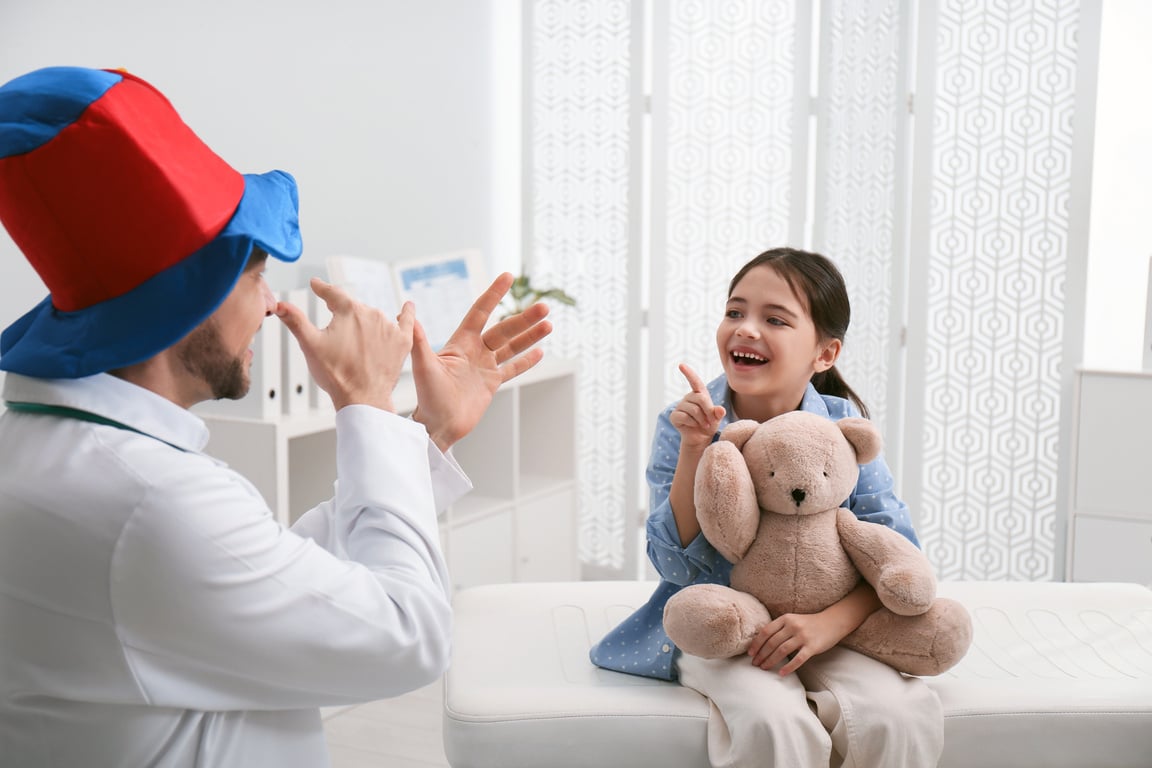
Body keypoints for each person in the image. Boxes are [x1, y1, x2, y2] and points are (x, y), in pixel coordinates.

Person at [0, 66, 551, 766]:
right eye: (256, 272)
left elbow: (271, 582)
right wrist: (367, 403)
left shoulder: (66, 453)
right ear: (189, 293)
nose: (268, 305)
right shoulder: (149, 502)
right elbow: (408, 636)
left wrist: (422, 435)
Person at [589, 247, 942, 767]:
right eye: (735, 312)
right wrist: (694, 448)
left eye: (774, 319)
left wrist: (828, 624)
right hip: (725, 625)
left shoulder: (844, 429)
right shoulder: (682, 422)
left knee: (896, 715)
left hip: (829, 626)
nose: (746, 329)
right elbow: (674, 566)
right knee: (772, 719)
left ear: (824, 354)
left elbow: (898, 554)